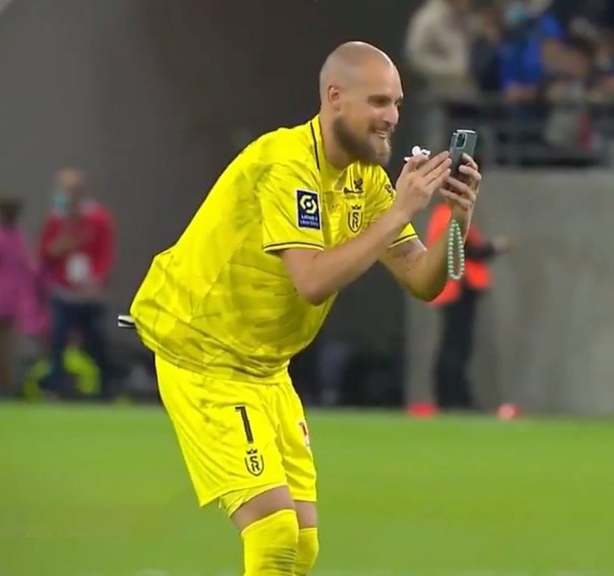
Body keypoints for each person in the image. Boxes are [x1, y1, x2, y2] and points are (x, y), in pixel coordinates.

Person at [125, 41, 482, 576]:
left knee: (302, 547)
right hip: (205, 358)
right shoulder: (285, 164)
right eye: (379, 103)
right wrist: (402, 209)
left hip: (266, 368)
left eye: (398, 105)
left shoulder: (364, 179)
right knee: (272, 536)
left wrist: (456, 219)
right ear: (335, 98)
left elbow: (420, 279)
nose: (392, 119)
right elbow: (311, 281)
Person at [426, 199, 512, 411]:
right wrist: (494, 247)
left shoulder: (445, 214)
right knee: (455, 347)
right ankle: (452, 399)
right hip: (456, 289)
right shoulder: (449, 215)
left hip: (456, 289)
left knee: (456, 346)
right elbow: (466, 249)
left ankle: (452, 398)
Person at [38, 168, 116, 399]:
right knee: (58, 340)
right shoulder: (56, 219)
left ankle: (105, 389)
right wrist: (57, 248)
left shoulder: (98, 218)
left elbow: (105, 252)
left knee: (96, 341)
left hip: (89, 293)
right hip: (63, 291)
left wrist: (97, 278)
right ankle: (56, 388)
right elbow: (45, 253)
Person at [0, 197, 35, 396]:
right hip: (8, 303)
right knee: (4, 351)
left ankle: (5, 389)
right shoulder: (18, 239)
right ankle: (6, 388)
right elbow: (27, 268)